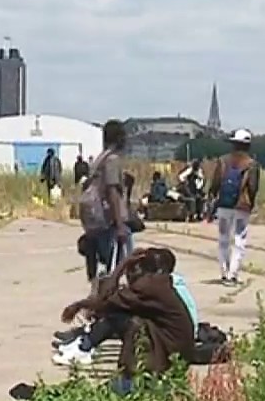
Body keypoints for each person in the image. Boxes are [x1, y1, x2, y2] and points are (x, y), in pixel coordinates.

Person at [54, 249, 196, 382]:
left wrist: (121, 266)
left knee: (123, 321)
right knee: (124, 316)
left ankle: (85, 349)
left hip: (171, 352)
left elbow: (104, 300)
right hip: (175, 349)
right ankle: (86, 347)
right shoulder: (161, 284)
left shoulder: (150, 286)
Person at [206, 129, 261, 285]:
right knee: (239, 239)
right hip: (242, 207)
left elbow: (215, 184)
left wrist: (212, 200)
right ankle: (233, 274)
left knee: (223, 238)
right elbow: (253, 186)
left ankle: (224, 271)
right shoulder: (252, 164)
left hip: (224, 205)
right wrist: (251, 203)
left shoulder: (223, 161)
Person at [78, 120, 130, 281]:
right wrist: (120, 225)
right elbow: (112, 191)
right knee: (122, 265)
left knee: (106, 265)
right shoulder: (112, 160)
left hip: (96, 220)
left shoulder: (99, 160)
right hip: (109, 221)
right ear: (119, 138)